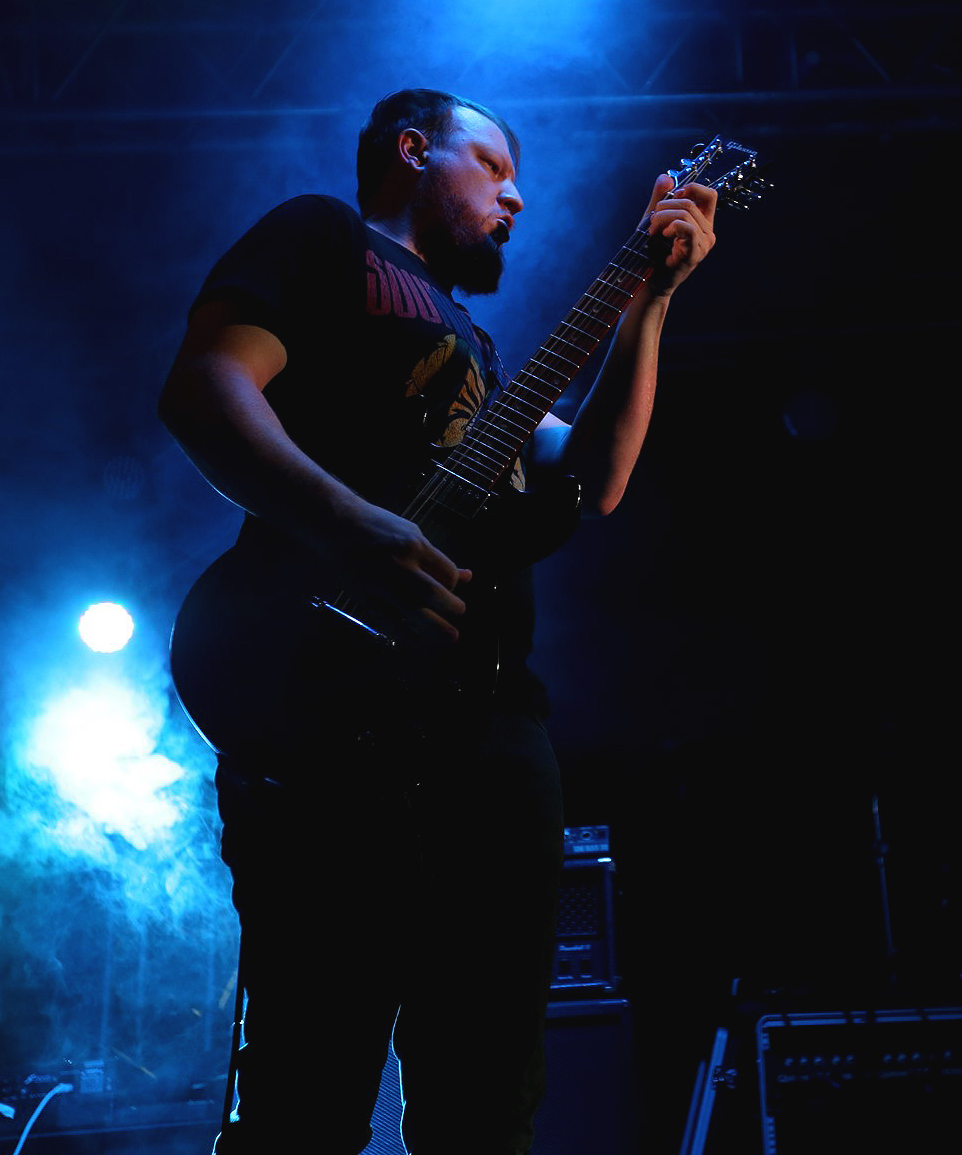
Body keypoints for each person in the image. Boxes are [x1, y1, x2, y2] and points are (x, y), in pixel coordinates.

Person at [158, 88, 717, 1154]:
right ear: (414, 151)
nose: (518, 198)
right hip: (325, 706)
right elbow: (205, 387)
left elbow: (594, 479)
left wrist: (649, 301)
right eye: (495, 167)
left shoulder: (482, 351)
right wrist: (349, 525)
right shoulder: (323, 238)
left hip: (492, 727)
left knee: (488, 1098)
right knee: (307, 1093)